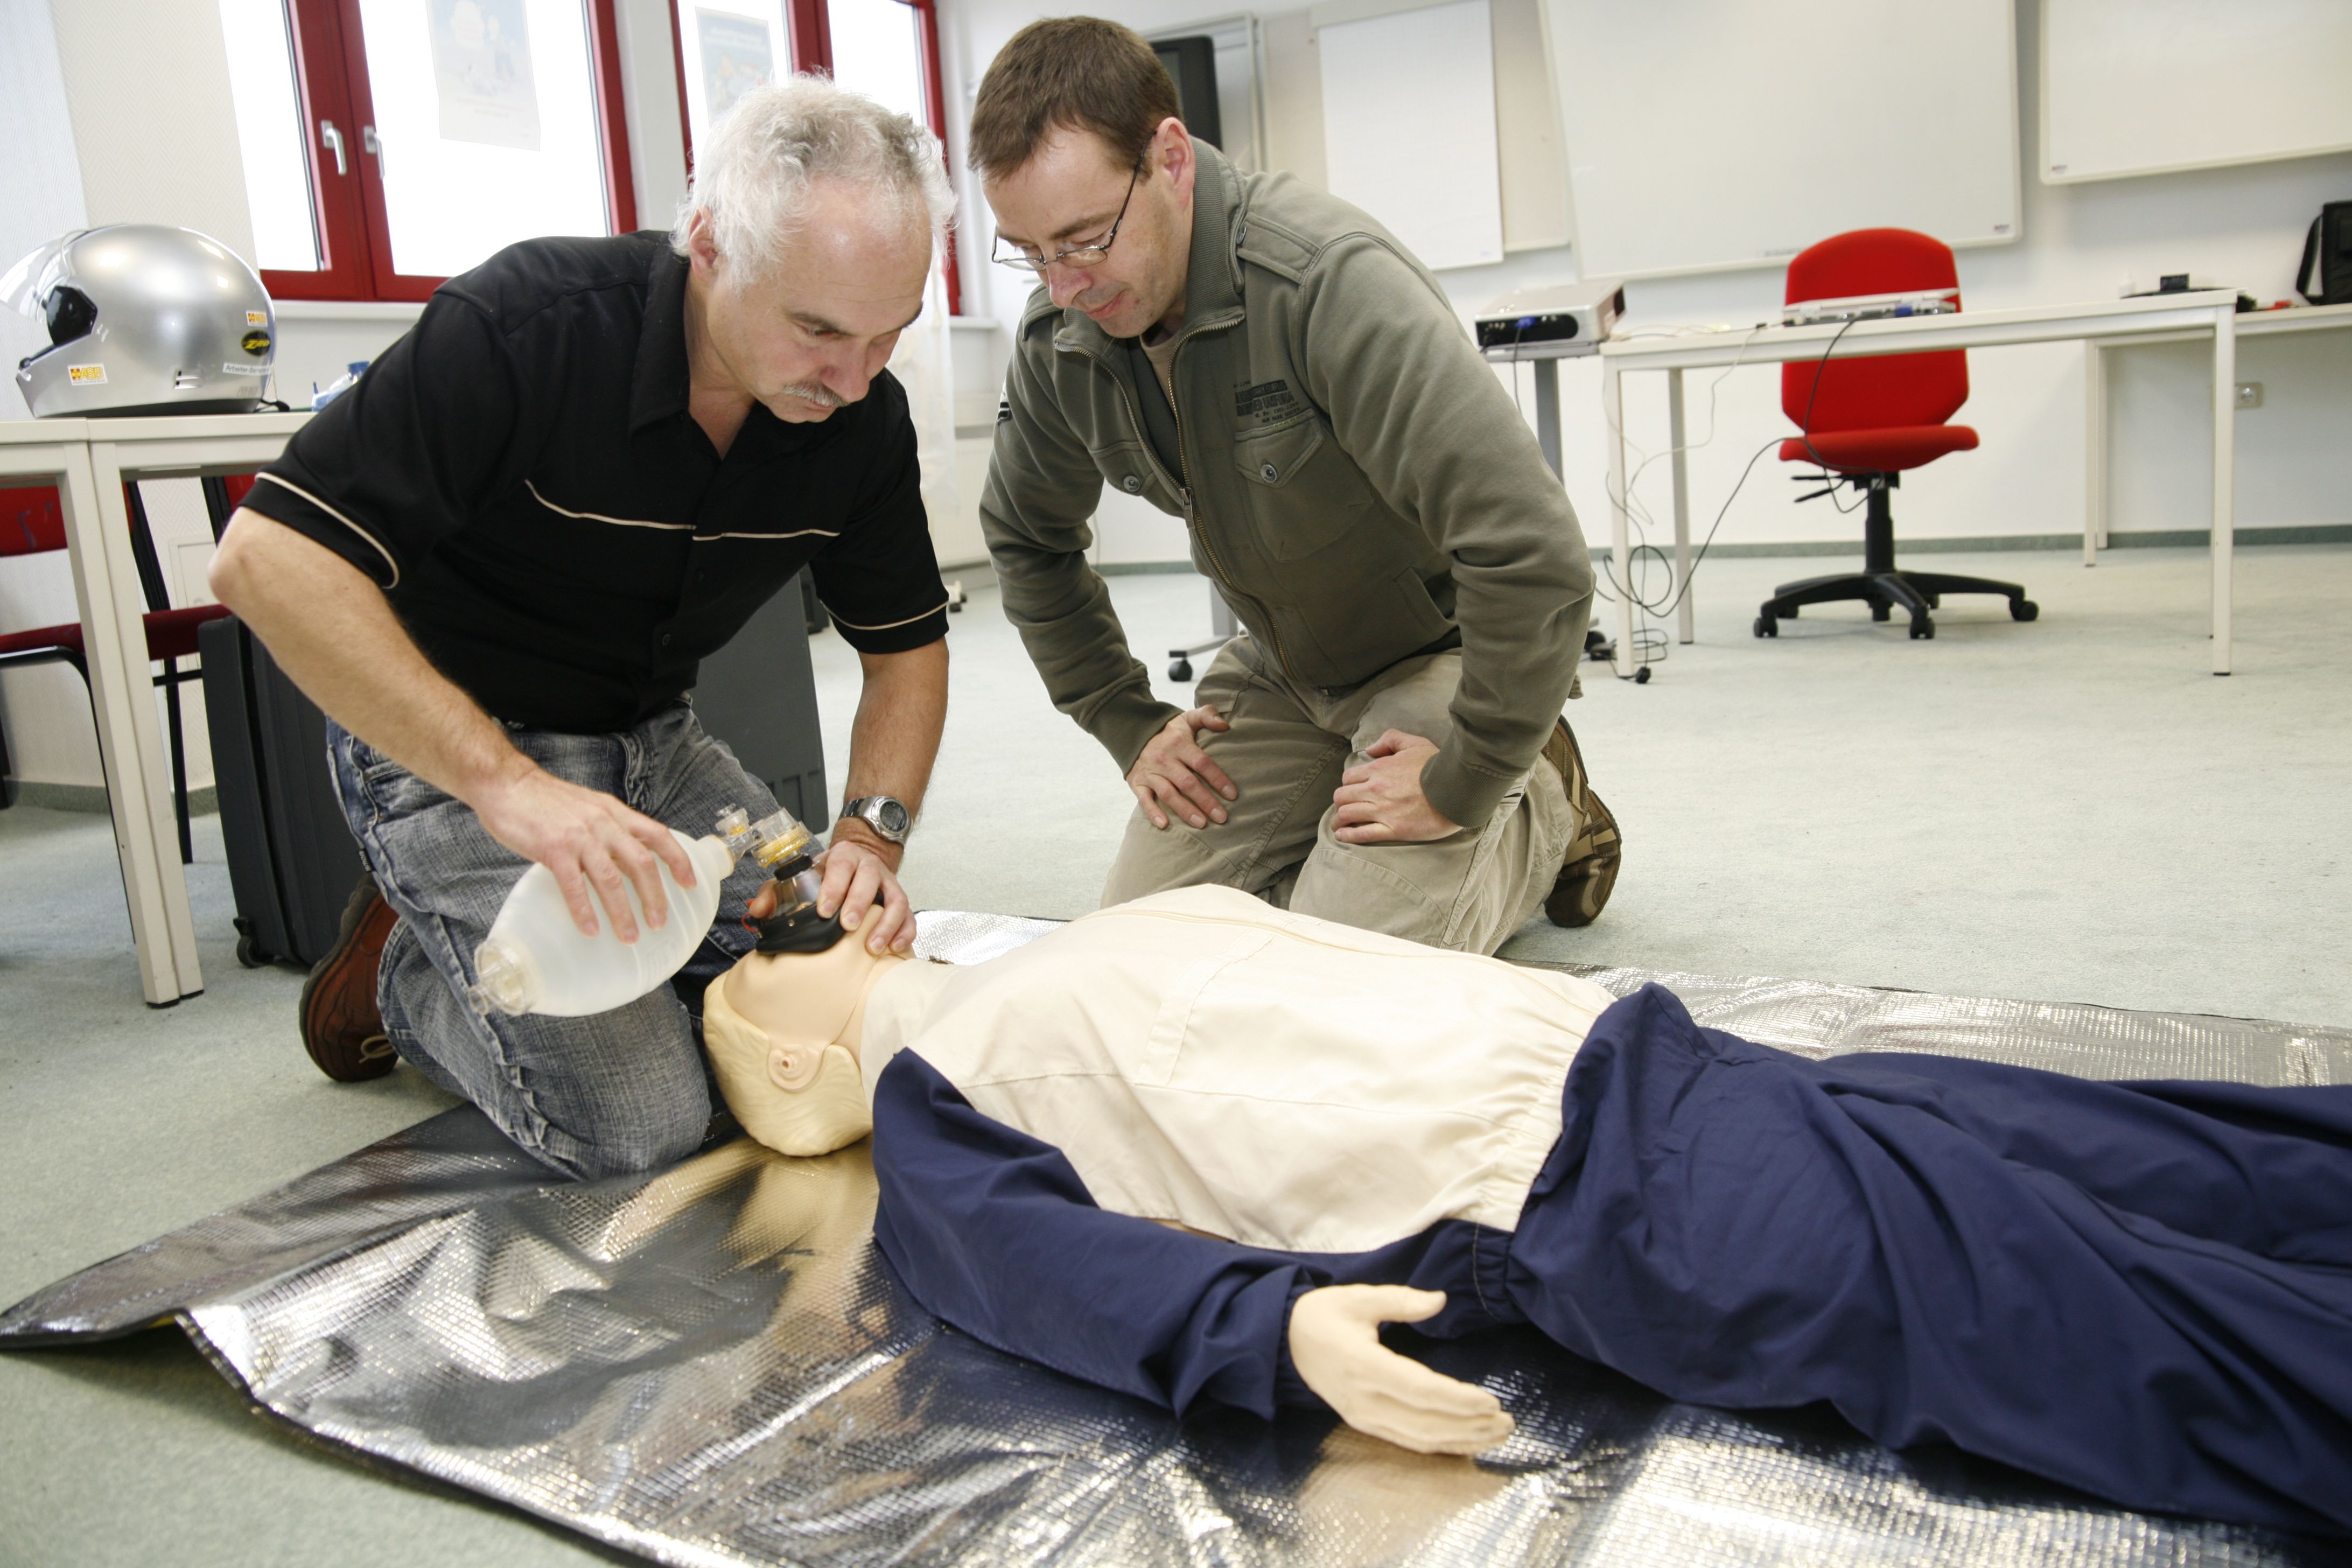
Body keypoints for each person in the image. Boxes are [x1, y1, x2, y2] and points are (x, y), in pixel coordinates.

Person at [697, 888, 2352, 1541]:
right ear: (787, 1054)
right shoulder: (941, 1092)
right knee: (2128, 1302)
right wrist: (1269, 1327)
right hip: (1612, 1175)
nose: (826, 913)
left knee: (2157, 1185)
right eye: (792, 938)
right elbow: (1040, 1271)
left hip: (1641, 1100)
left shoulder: (1053, 957)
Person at [207, 78, 956, 1181]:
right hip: (458, 754)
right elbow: (262, 560)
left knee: (846, 988)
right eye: (818, 330)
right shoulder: (527, 328)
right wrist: (505, 786)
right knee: (641, 1124)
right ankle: (412, 973)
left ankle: (561, 943)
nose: (852, 379)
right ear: (707, 244)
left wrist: (868, 838)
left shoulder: (858, 415)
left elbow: (905, 654)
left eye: (888, 333)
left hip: (652, 737)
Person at [967, 18, 1616, 956]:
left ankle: (1545, 797)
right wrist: (1125, 718)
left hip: (1439, 653)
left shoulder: (1325, 282)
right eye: (1029, 253)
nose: (1064, 288)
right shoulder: (1063, 339)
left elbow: (1530, 549)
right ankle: (1348, 827)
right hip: (1282, 670)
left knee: (1340, 973)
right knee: (1130, 954)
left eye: (1084, 239)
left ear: (1171, 160)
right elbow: (1027, 540)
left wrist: (1465, 777)